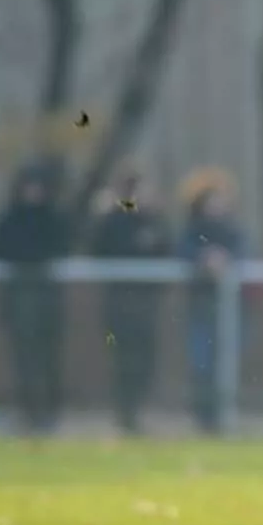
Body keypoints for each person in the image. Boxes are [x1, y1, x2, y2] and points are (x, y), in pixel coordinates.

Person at [90, 176, 172, 435]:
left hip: (146, 304)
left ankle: (135, 410)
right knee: (122, 357)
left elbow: (166, 251)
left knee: (145, 359)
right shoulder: (114, 221)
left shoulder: (156, 223)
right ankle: (124, 412)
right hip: (118, 303)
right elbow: (98, 249)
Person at [0, 167, 72, 434]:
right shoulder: (10, 219)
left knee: (50, 358)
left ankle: (51, 411)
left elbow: (62, 248)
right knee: (24, 358)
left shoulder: (53, 218)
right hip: (20, 299)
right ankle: (28, 411)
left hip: (48, 300)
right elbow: (2, 250)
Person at [177, 167, 248, 434]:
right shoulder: (192, 231)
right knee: (202, 363)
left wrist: (225, 259)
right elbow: (182, 251)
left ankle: (224, 415)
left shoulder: (233, 230)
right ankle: (204, 418)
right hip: (201, 309)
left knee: (226, 362)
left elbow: (245, 252)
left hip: (232, 311)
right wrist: (204, 258)